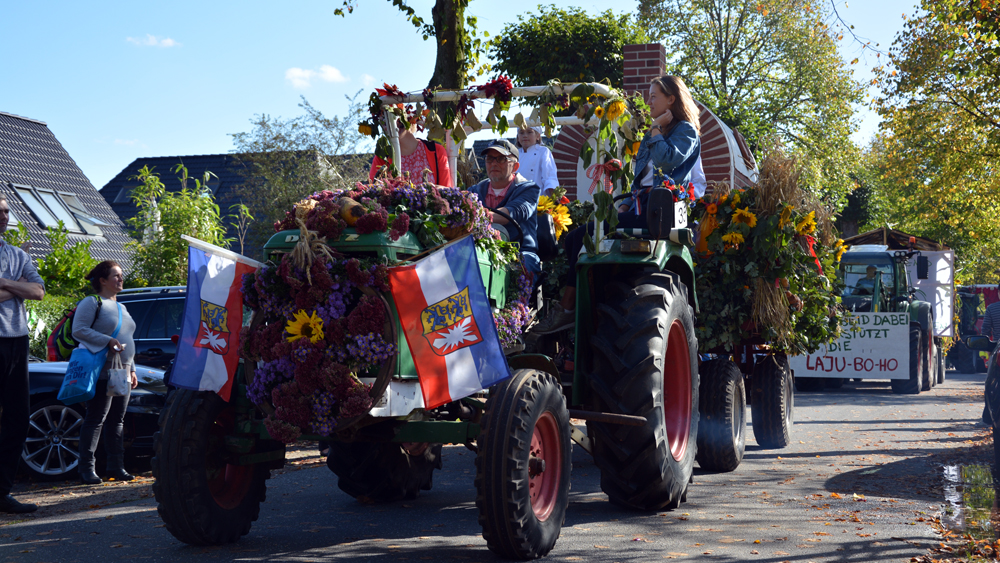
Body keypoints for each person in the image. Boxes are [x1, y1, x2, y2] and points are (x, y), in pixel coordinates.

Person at [533, 75, 701, 334]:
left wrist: (655, 128)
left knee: (589, 234)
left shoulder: (686, 131)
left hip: (662, 210)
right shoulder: (653, 132)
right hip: (639, 206)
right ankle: (588, 305)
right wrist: (623, 206)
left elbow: (667, 161)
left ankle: (568, 308)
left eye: (654, 95)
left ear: (672, 98)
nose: (649, 101)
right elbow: (639, 180)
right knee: (575, 237)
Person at [73, 261, 138, 485]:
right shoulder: (92, 302)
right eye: (116, 276)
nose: (121, 279)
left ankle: (116, 466)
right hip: (101, 369)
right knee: (96, 418)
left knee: (117, 421)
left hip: (123, 371)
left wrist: (133, 368)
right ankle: (86, 469)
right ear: (102, 280)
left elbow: (128, 339)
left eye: (121, 275)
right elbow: (78, 330)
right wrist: (108, 340)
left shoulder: (122, 307)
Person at [0, 195, 45, 513]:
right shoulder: (19, 259)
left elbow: (39, 291)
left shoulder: (16, 254)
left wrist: (4, 283)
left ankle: (1, 491)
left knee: (18, 417)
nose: (4, 215)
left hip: (17, 341)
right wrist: (18, 285)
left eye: (5, 210)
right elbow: (26, 289)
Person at [468, 139, 541, 275]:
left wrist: (476, 214)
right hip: (482, 249)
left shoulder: (529, 189)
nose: (494, 163)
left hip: (519, 251)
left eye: (501, 159)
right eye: (490, 159)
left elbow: (514, 212)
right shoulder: (475, 191)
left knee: (523, 269)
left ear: (515, 166)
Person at [369, 120, 454, 187]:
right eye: (385, 119)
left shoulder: (436, 151)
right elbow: (372, 191)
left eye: (398, 117)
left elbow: (446, 191)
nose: (394, 122)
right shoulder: (382, 157)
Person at [516, 126, 559, 195]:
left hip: (539, 199)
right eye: (521, 133)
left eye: (529, 132)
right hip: (517, 198)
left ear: (538, 136)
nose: (525, 136)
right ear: (518, 138)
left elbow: (549, 175)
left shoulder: (543, 151)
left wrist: (553, 193)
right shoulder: (514, 155)